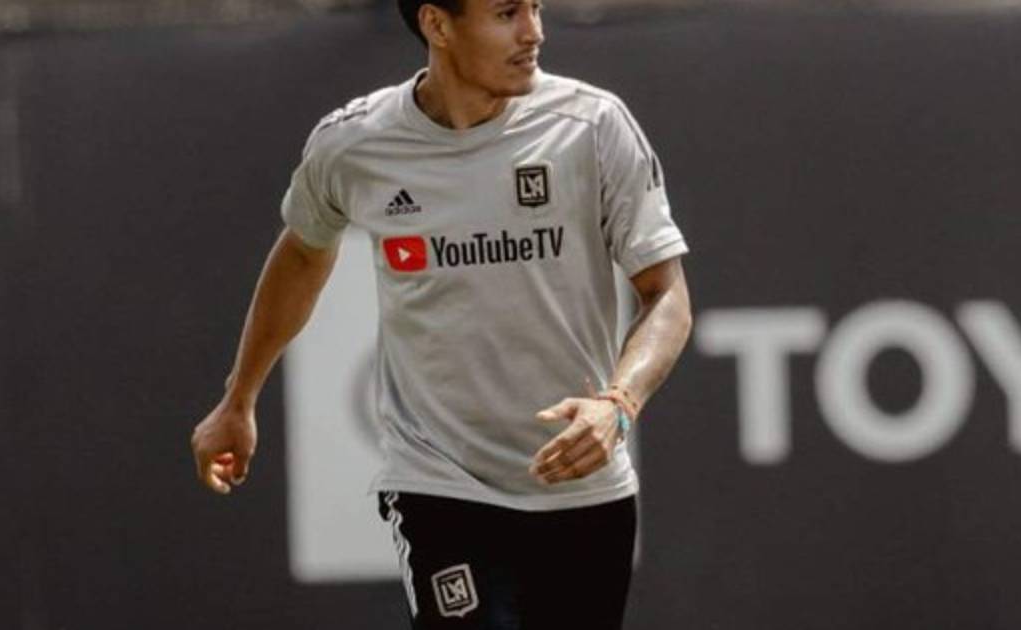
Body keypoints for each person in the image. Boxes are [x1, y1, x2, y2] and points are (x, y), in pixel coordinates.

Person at [190, 0, 692, 627]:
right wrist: (238, 398)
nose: (534, 32)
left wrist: (617, 406)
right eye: (506, 13)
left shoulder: (592, 126)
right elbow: (303, 252)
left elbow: (666, 295)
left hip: (583, 489)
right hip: (441, 483)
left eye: (535, 7)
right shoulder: (354, 143)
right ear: (437, 24)